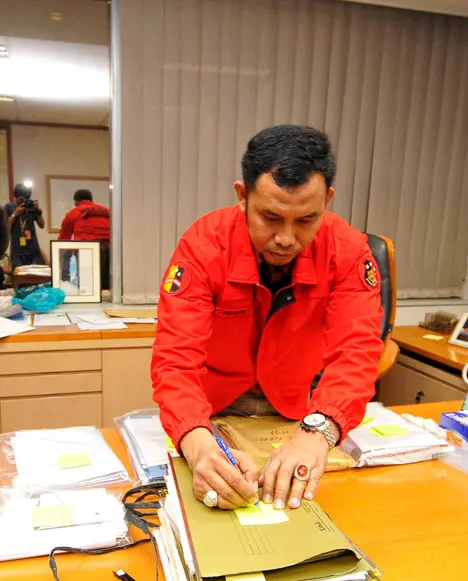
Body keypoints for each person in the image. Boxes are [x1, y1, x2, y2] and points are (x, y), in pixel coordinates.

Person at [152, 124, 384, 512]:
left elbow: (356, 352)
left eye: (306, 220)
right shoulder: (203, 246)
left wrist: (319, 432)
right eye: (271, 218)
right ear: (243, 196)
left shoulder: (347, 250)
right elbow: (175, 359)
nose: (286, 239)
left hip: (297, 412)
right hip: (213, 411)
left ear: (327, 199)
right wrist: (196, 442)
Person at [58, 188, 112, 290]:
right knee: (106, 281)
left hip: (87, 248)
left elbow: (63, 239)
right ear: (91, 200)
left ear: (75, 201)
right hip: (110, 249)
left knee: (87, 283)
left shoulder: (74, 213)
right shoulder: (106, 211)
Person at [6, 184, 47, 266]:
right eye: (21, 199)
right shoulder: (9, 207)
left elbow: (42, 225)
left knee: (34, 277)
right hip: (17, 251)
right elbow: (6, 227)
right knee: (19, 276)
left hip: (33, 250)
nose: (24, 201)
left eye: (26, 199)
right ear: (16, 197)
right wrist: (15, 213)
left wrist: (38, 211)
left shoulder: (30, 206)